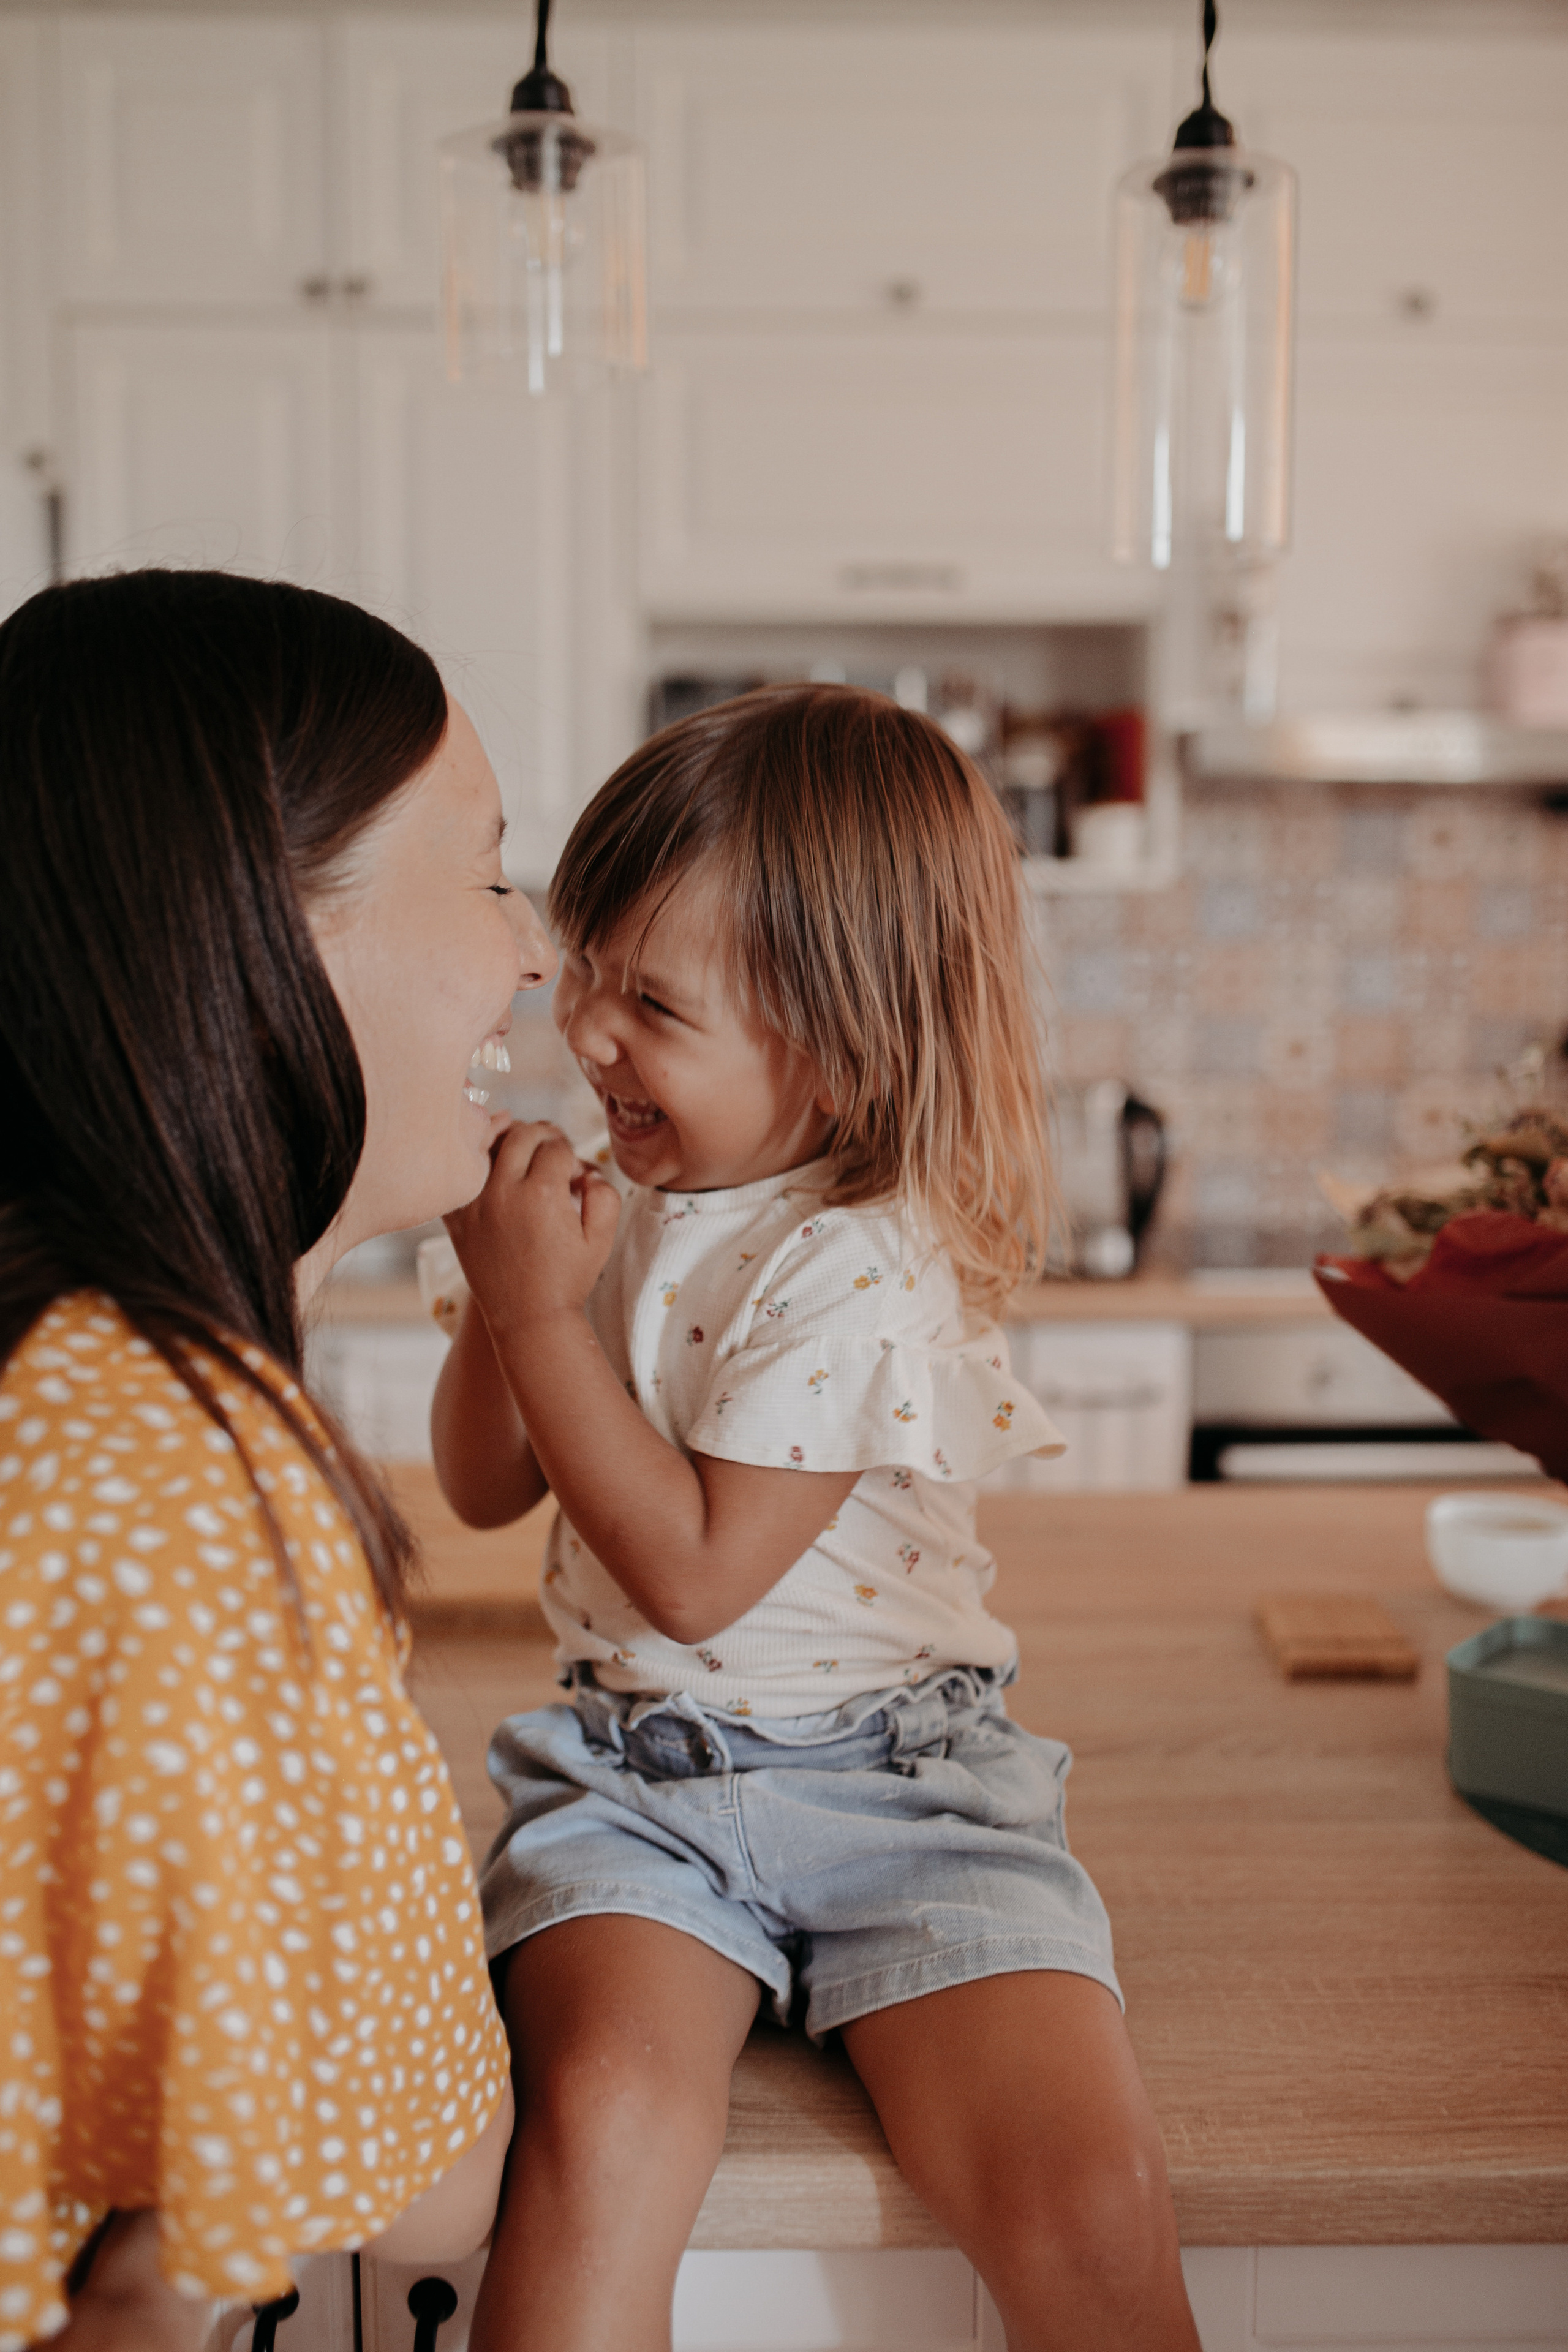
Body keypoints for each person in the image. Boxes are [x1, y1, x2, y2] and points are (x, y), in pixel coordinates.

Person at [432, 685, 1201, 2352]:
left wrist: (541, 1315)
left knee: (1087, 2198)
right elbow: (488, 1489)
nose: (590, 1031)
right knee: (601, 2131)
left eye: (655, 1002)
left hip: (907, 1795)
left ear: (843, 1051)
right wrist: (509, 1297)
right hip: (639, 1791)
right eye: (587, 967)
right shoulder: (627, 1199)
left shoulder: (863, 1254)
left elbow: (696, 1575)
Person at [0, 569, 556, 2350]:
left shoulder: (78, 1382)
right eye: (488, 874)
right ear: (270, 926)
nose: (534, 952)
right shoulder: (180, 1480)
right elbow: (420, 2193)